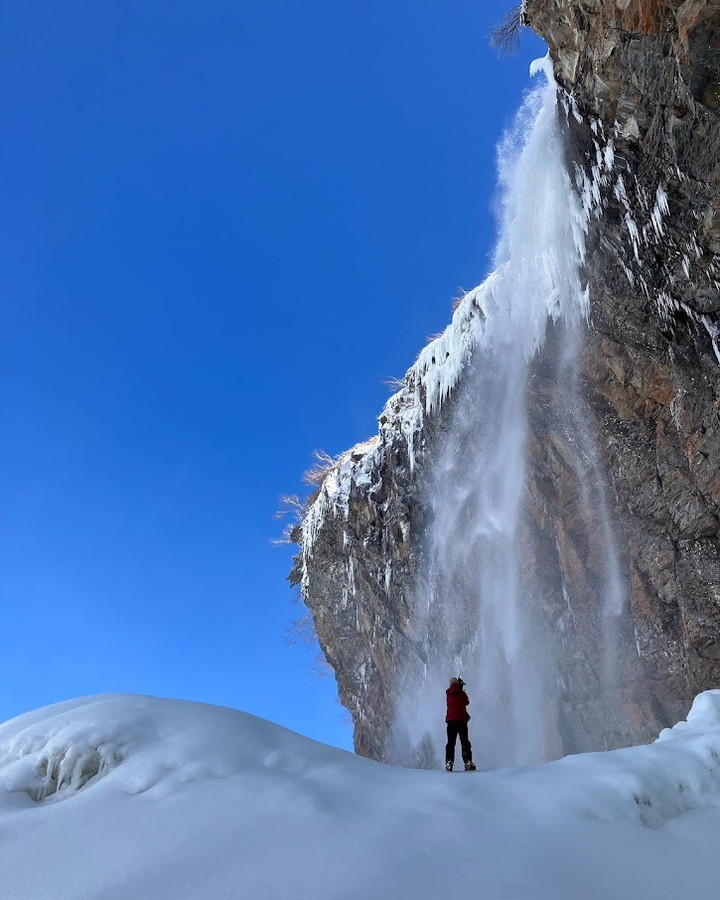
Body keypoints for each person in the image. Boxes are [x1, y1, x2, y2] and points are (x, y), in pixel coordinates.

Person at [445, 677, 476, 771]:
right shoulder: (462, 694)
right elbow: (466, 702)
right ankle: (468, 762)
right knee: (465, 742)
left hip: (451, 722)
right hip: (462, 721)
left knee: (451, 743)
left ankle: (449, 761)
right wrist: (461, 688)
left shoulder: (448, 694)